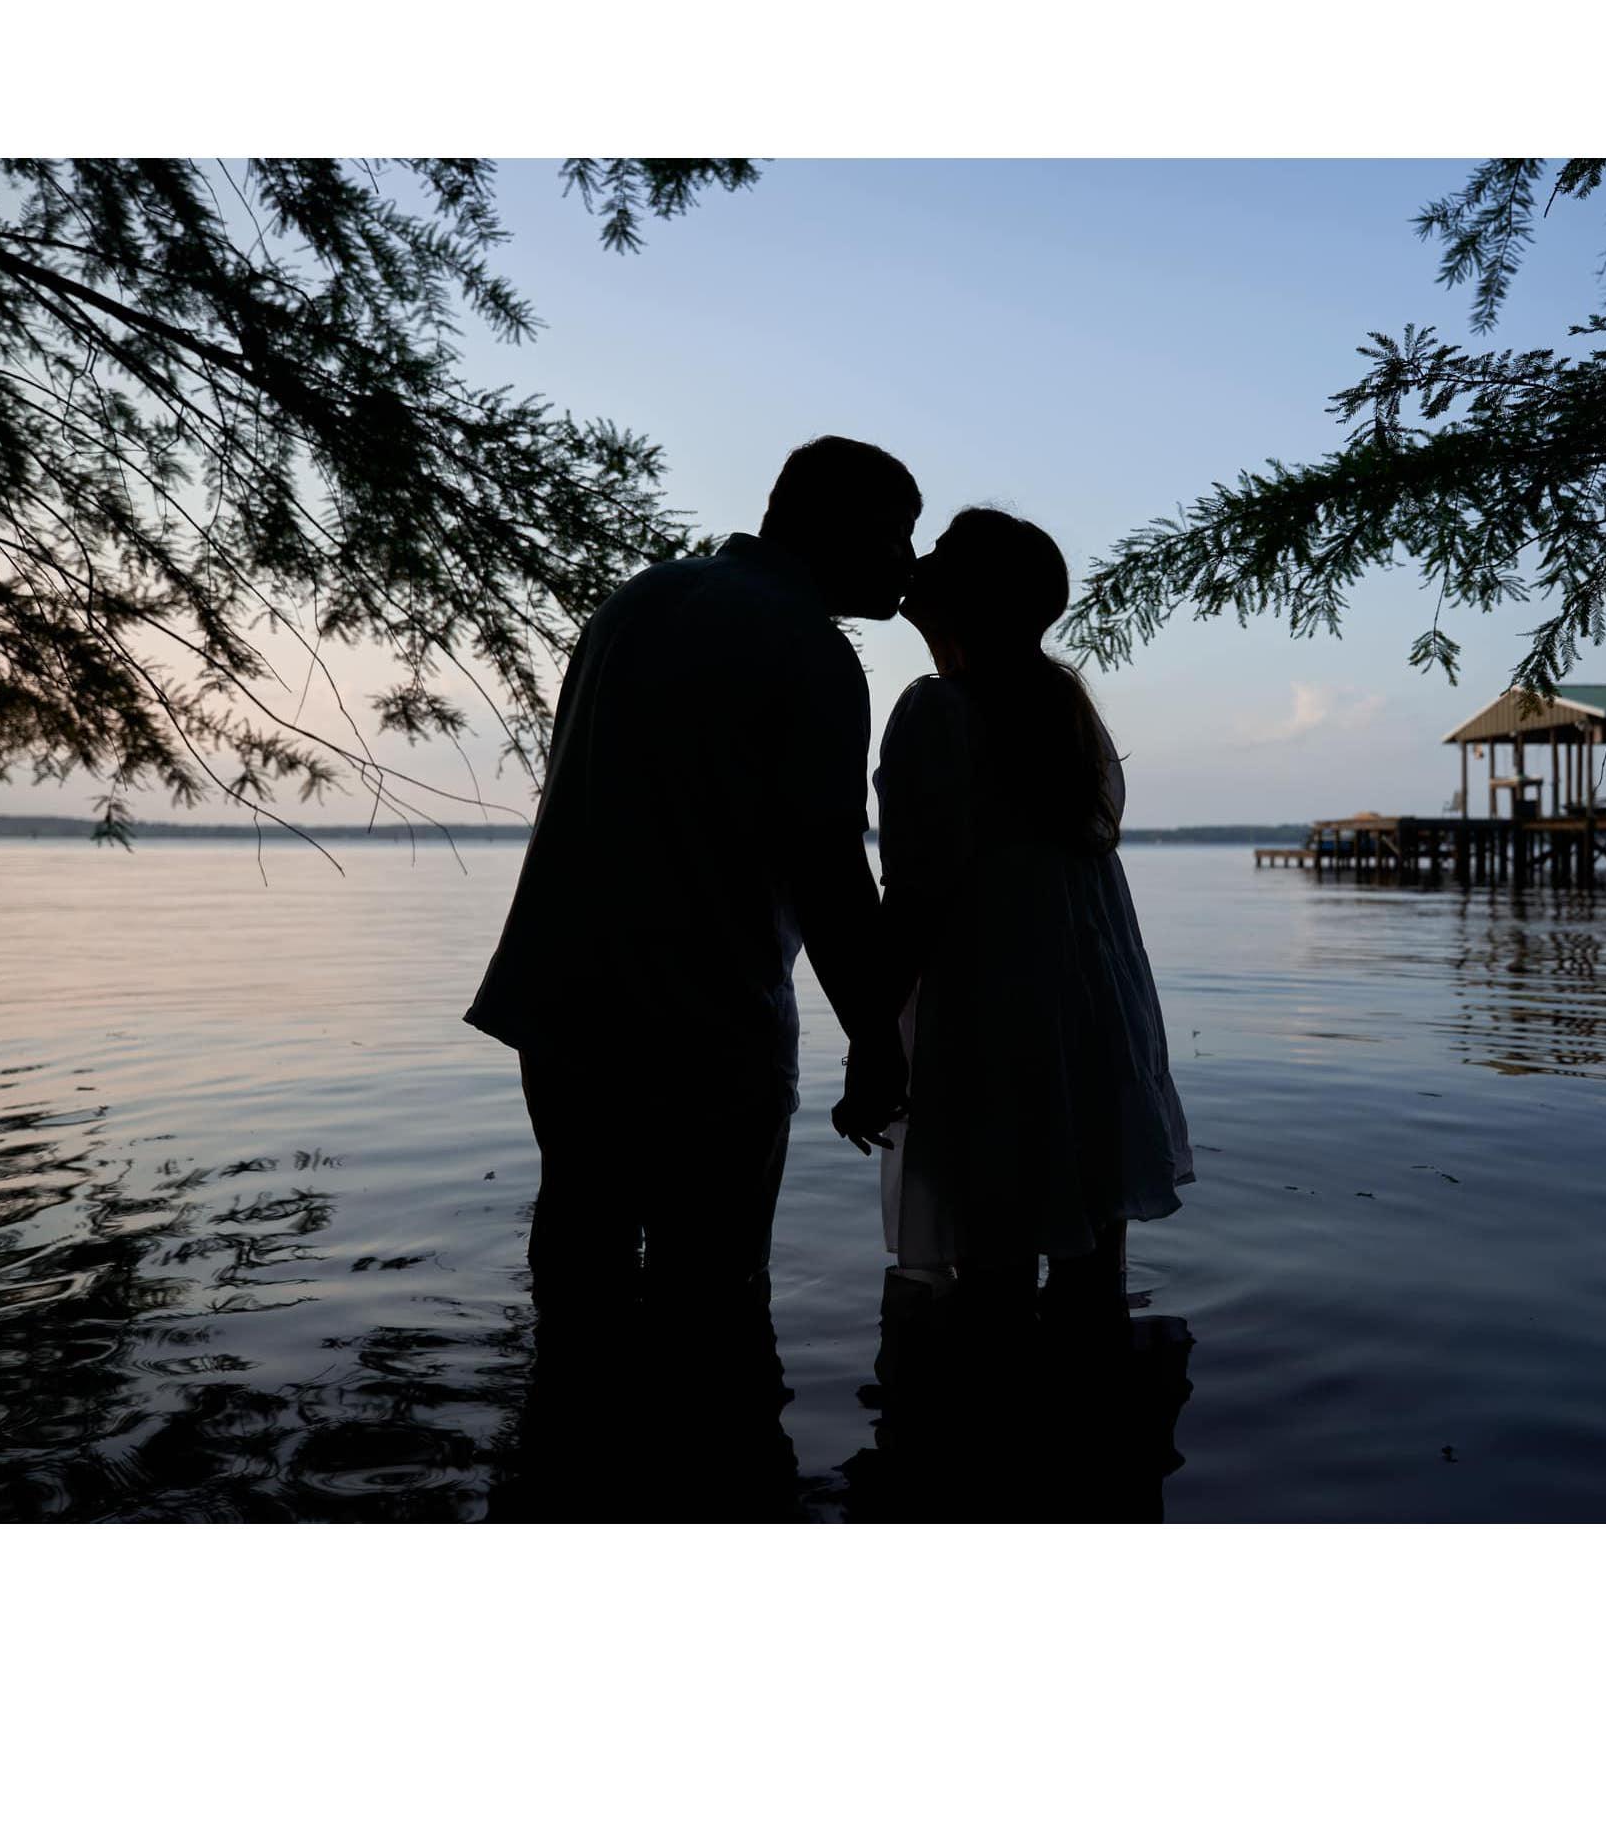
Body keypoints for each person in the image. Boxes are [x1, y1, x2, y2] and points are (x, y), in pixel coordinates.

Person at [467, 436, 918, 1317]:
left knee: (577, 1256)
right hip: (703, 1024)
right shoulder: (810, 648)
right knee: (712, 1290)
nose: (909, 559)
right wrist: (875, 1039)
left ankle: (565, 1403)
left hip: (560, 1003)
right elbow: (828, 866)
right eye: (898, 532)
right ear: (843, 526)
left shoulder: (638, 600)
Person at [874, 507, 1194, 1323]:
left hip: (997, 1003)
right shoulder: (1061, 706)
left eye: (940, 553)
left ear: (973, 594)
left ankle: (992, 1397)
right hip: (1092, 1004)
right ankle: (1095, 1388)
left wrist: (872, 1042)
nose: (917, 560)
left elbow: (914, 890)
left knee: (993, 1263)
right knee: (1092, 1252)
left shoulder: (939, 711)